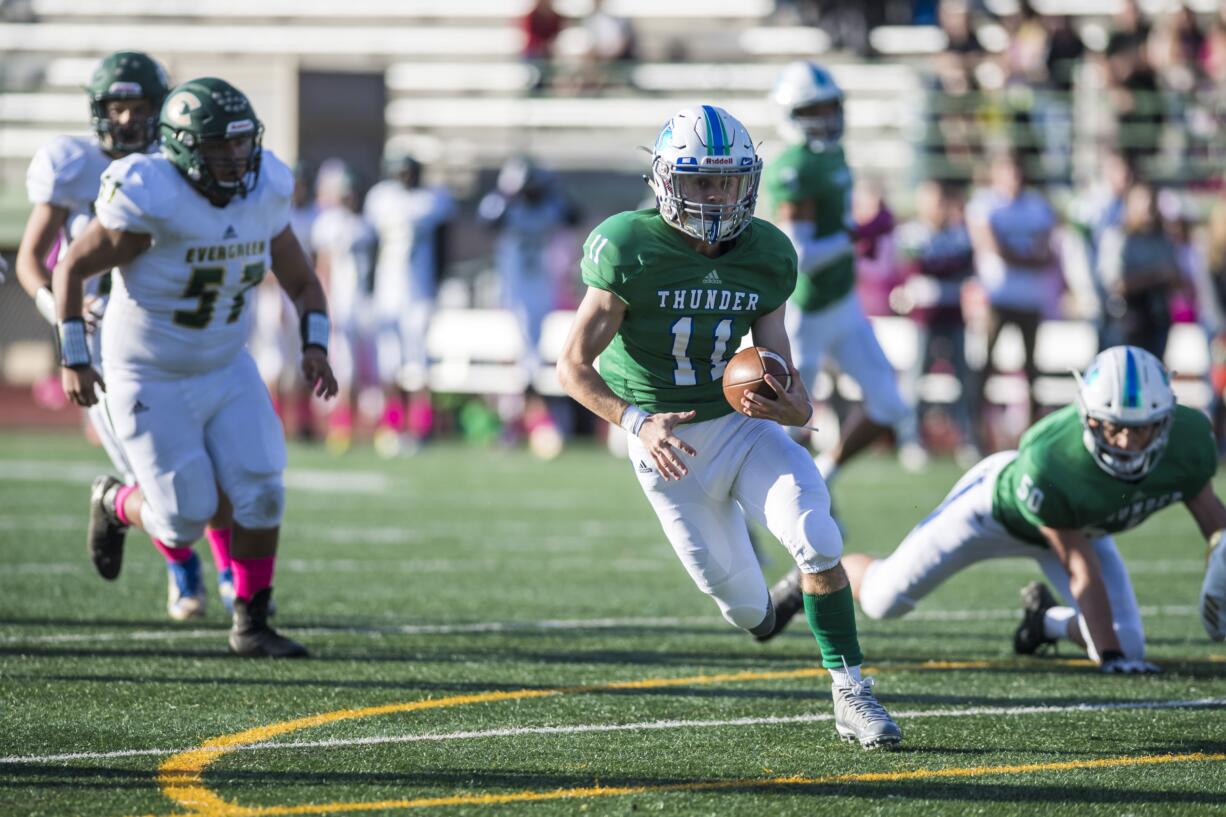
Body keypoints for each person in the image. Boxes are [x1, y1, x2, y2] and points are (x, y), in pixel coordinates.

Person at [556, 104, 901, 749]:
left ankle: (851, 689)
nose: (714, 195)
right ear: (665, 180)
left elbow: (781, 373)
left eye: (726, 180)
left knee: (817, 532)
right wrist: (636, 424)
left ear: (749, 180)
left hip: (743, 429)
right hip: (669, 449)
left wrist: (796, 409)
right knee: (749, 613)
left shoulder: (768, 251)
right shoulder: (628, 245)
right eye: (698, 180)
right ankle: (790, 598)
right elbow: (572, 367)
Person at [52, 77, 339, 657]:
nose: (235, 158)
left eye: (241, 144)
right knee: (183, 518)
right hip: (148, 372)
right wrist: (75, 355)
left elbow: (304, 281)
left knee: (263, 490)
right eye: (217, 146)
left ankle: (252, 622)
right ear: (182, 147)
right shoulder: (149, 193)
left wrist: (315, 345)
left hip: (226, 364)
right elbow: (70, 268)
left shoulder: (265, 191)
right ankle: (115, 502)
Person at [13, 51, 240, 620]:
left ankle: (235, 574)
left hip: (172, 332)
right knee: (158, 477)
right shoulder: (70, 164)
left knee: (222, 460)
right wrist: (63, 323)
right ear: (99, 111)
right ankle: (179, 565)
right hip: (108, 345)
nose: (128, 120)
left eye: (140, 107)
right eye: (118, 107)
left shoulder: (179, 162)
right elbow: (31, 260)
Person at [842, 346, 1226, 672]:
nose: (1126, 442)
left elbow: (1215, 524)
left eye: (1140, 428)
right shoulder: (1053, 457)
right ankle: (824, 573)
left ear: (1164, 421)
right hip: (993, 515)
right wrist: (1109, 658)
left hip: (1080, 527)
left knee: (1130, 645)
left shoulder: (1188, 440)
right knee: (883, 599)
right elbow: (1078, 564)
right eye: (1112, 427)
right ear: (1088, 418)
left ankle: (1045, 621)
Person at [762, 60, 920, 489]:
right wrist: (858, 235)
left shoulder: (832, 155)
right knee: (785, 422)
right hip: (804, 311)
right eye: (815, 110)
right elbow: (799, 256)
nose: (827, 119)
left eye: (831, 108)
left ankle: (823, 476)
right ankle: (760, 508)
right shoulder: (794, 166)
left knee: (889, 404)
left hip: (843, 303)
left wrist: (858, 236)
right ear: (791, 115)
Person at [364, 154, 455, 457]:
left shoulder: (432, 200)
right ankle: (392, 425)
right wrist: (369, 288)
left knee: (419, 362)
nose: (406, 178)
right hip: (388, 291)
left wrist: (438, 284)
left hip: (420, 290)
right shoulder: (381, 199)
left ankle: (420, 426)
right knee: (390, 361)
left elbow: (444, 245)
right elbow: (372, 246)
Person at [967, 150, 1058, 428]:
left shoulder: (1037, 206)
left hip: (1029, 299)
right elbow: (991, 246)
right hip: (996, 297)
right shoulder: (984, 203)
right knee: (985, 365)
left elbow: (1047, 253)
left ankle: (1032, 429)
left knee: (1031, 369)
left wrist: (1019, 258)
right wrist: (1025, 258)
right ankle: (975, 429)